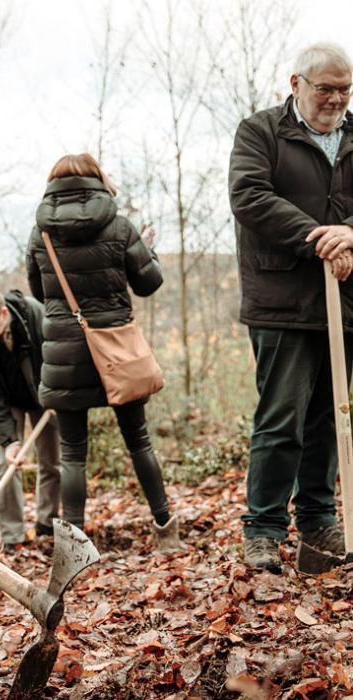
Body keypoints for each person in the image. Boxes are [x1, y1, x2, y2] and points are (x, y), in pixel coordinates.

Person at [229, 42, 353, 573]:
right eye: (325, 88)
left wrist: (349, 234)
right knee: (281, 419)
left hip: (344, 303)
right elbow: (249, 196)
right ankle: (262, 530)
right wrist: (316, 237)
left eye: (345, 89)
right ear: (295, 82)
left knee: (331, 418)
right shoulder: (260, 132)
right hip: (281, 301)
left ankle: (319, 523)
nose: (335, 99)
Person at [25, 153, 179, 552]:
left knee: (72, 453)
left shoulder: (40, 233)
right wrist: (151, 251)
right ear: (97, 180)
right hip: (117, 351)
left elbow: (39, 293)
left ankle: (74, 547)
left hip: (64, 353)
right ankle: (165, 530)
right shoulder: (119, 226)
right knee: (138, 441)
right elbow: (148, 283)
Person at [0, 286, 61, 551]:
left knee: (51, 460)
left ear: (3, 313)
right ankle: (12, 536)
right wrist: (9, 441)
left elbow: (59, 353)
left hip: (45, 394)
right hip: (7, 403)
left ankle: (47, 521)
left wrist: (57, 393)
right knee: (4, 463)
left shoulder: (35, 316)